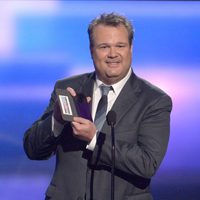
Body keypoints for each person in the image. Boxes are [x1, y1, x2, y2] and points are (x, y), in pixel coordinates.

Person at [23, 13, 172, 200]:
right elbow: (32, 149)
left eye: (120, 46)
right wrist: (57, 120)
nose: (112, 54)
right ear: (91, 50)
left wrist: (94, 139)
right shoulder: (67, 88)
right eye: (104, 47)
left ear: (131, 48)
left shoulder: (154, 100)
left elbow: (147, 163)